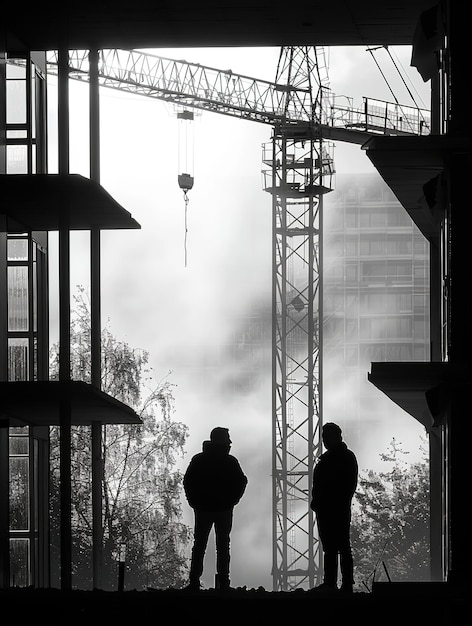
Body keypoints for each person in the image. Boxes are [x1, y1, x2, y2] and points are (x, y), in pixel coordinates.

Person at [183, 426, 248, 591]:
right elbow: (242, 481)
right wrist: (232, 501)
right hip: (223, 510)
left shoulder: (198, 460)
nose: (230, 441)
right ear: (221, 440)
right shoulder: (230, 461)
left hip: (203, 509)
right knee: (223, 546)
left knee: (199, 545)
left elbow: (188, 481)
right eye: (227, 438)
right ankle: (224, 583)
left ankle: (194, 582)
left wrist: (194, 502)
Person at [310, 422, 358, 594]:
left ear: (337, 437)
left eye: (327, 437)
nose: (324, 440)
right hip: (331, 509)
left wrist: (320, 503)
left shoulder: (337, 459)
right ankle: (337, 583)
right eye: (324, 437)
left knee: (338, 547)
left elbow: (346, 485)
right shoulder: (343, 458)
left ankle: (338, 584)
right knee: (334, 547)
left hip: (334, 509)